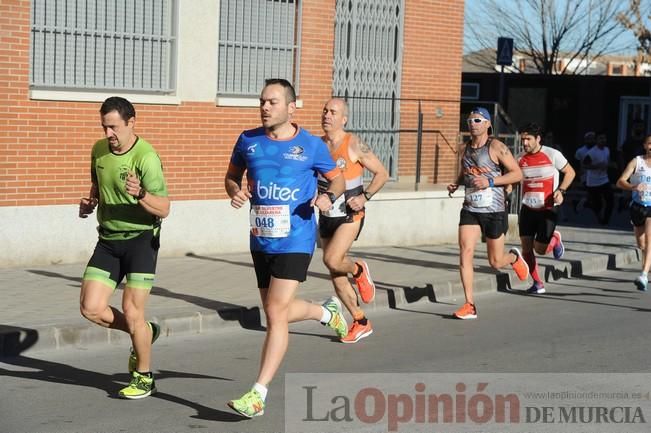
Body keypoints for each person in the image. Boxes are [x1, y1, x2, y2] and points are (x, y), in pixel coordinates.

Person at [224, 79, 347, 418]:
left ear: (291, 107)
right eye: (262, 101)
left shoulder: (310, 145)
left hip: (297, 237)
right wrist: (234, 190)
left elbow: (337, 179)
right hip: (261, 236)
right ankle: (326, 312)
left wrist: (328, 196)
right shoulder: (248, 140)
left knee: (276, 313)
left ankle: (258, 393)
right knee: (274, 311)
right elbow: (231, 176)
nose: (265, 107)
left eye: (272, 102)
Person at [78, 96, 170, 399]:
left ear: (132, 122)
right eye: (104, 127)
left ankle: (144, 376)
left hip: (141, 240)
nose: (108, 134)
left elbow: (164, 208)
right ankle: (144, 331)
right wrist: (90, 203)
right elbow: (97, 184)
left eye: (114, 127)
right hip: (108, 240)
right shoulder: (99, 150)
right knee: (91, 308)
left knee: (132, 311)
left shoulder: (146, 157)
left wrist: (141, 192)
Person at [318, 98, 389, 343]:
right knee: (335, 271)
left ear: (343, 119)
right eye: (325, 110)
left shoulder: (354, 143)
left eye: (333, 112)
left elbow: (382, 173)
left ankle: (358, 269)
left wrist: (365, 196)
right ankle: (360, 321)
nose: (327, 115)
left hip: (351, 212)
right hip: (327, 214)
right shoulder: (317, 145)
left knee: (332, 259)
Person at [447, 107, 528, 320]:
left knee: (495, 262)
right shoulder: (465, 148)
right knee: (465, 251)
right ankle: (469, 304)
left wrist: (490, 181)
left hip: (494, 209)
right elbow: (465, 171)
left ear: (487, 124)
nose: (472, 123)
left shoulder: (496, 147)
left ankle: (513, 257)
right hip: (471, 208)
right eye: (469, 120)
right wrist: (456, 184)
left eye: (477, 120)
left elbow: (517, 174)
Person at [516, 123, 576, 294]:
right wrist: (506, 190)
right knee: (526, 247)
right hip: (527, 207)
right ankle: (538, 283)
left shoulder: (552, 154)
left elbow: (570, 172)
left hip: (547, 209)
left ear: (538, 139)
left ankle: (555, 239)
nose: (525, 143)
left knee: (540, 250)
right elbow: (513, 178)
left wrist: (561, 190)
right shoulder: (520, 158)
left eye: (528, 139)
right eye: (523, 139)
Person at [616, 134, 651, 291]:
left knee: (650, 240)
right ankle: (646, 267)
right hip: (637, 206)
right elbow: (620, 181)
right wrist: (634, 187)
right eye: (649, 143)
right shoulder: (637, 161)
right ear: (645, 145)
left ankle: (643, 274)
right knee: (641, 243)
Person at [584, 131, 614, 225]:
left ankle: (605, 220)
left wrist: (610, 165)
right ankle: (590, 205)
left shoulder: (607, 150)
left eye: (604, 138)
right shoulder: (592, 152)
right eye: (600, 138)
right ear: (596, 140)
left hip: (604, 179)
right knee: (598, 204)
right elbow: (585, 165)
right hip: (593, 182)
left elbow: (607, 161)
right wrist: (597, 166)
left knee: (610, 200)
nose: (603, 140)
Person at [573, 131, 596, 213]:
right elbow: (576, 164)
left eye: (592, 139)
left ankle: (583, 202)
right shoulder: (580, 151)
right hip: (585, 176)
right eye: (588, 139)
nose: (590, 141)